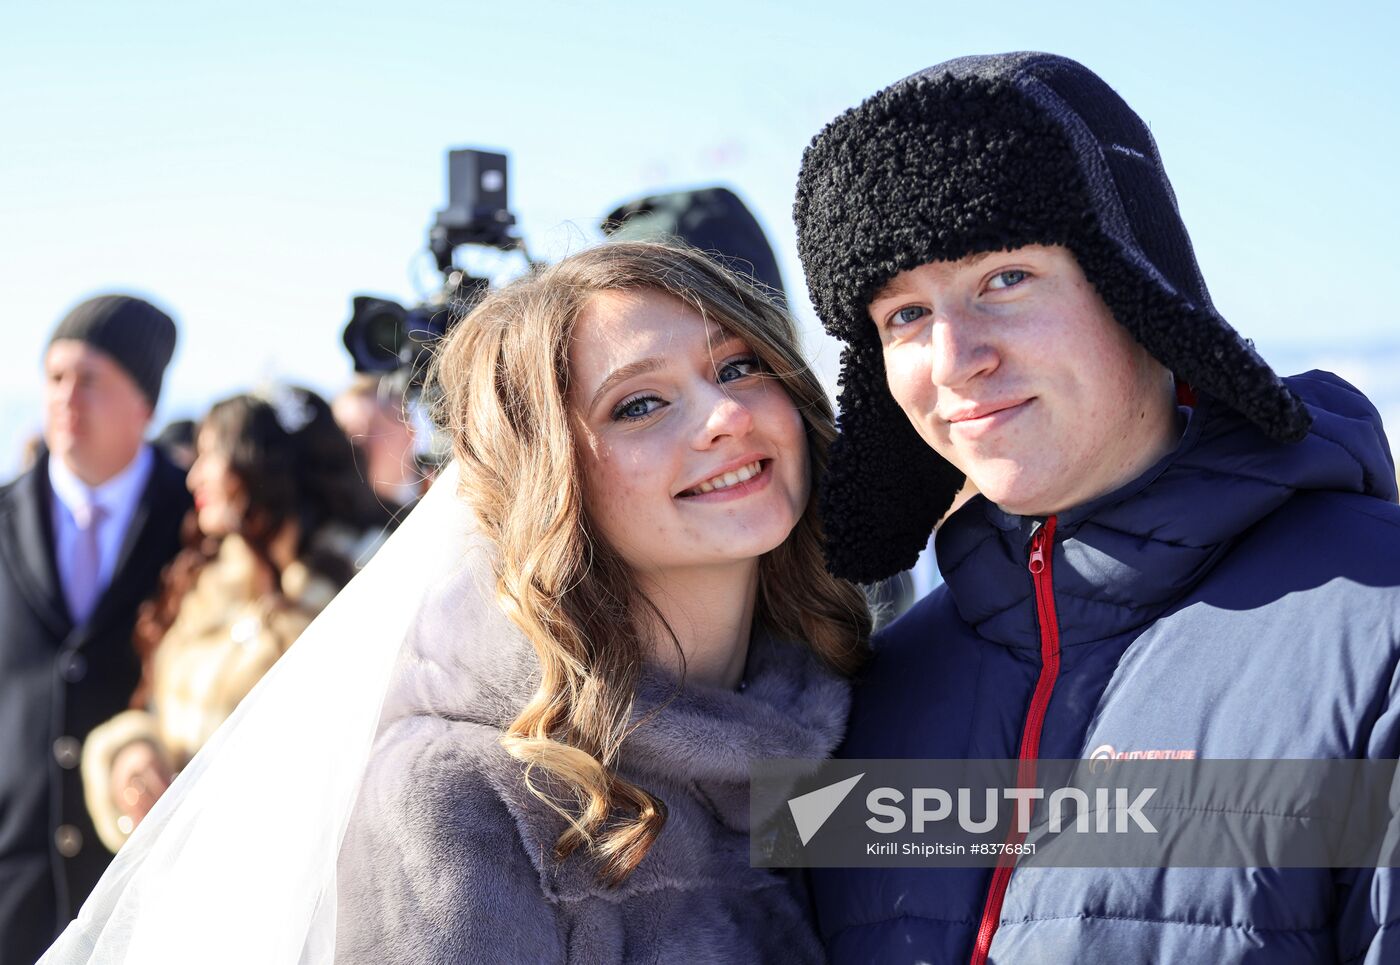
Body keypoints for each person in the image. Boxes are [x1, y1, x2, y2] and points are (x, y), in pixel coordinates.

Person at [40, 241, 870, 964]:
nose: (726, 414)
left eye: (738, 366)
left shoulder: (840, 702)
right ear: (549, 479)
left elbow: (992, 857)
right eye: (639, 404)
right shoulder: (460, 797)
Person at [793, 52, 1400, 964]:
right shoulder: (868, 687)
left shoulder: (1377, 632)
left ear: (1138, 286)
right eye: (904, 315)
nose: (955, 358)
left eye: (1005, 277)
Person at [80, 387, 389, 853]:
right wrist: (133, 754)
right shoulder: (205, 591)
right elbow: (155, 716)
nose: (193, 477)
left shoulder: (360, 598)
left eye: (211, 455)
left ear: (259, 468)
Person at [0, 295, 189, 965]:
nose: (66, 398)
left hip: (150, 895)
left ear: (145, 403)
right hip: (12, 901)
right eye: (55, 377)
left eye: (92, 379)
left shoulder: (197, 520)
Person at [332, 374, 424, 511]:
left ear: (409, 434)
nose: (357, 442)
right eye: (347, 432)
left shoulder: (451, 489)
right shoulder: (334, 518)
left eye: (371, 429)